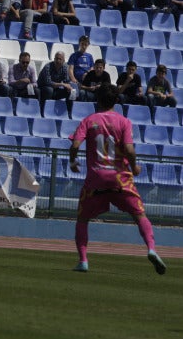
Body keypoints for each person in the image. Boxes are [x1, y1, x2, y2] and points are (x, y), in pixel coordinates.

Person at [68, 83, 166, 275]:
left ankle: (84, 260)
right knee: (139, 215)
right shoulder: (124, 122)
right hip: (120, 179)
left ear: (98, 100)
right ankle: (151, 248)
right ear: (116, 101)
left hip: (96, 179)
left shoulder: (89, 120)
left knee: (82, 219)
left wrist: (73, 161)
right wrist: (135, 166)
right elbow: (129, 149)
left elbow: (75, 145)